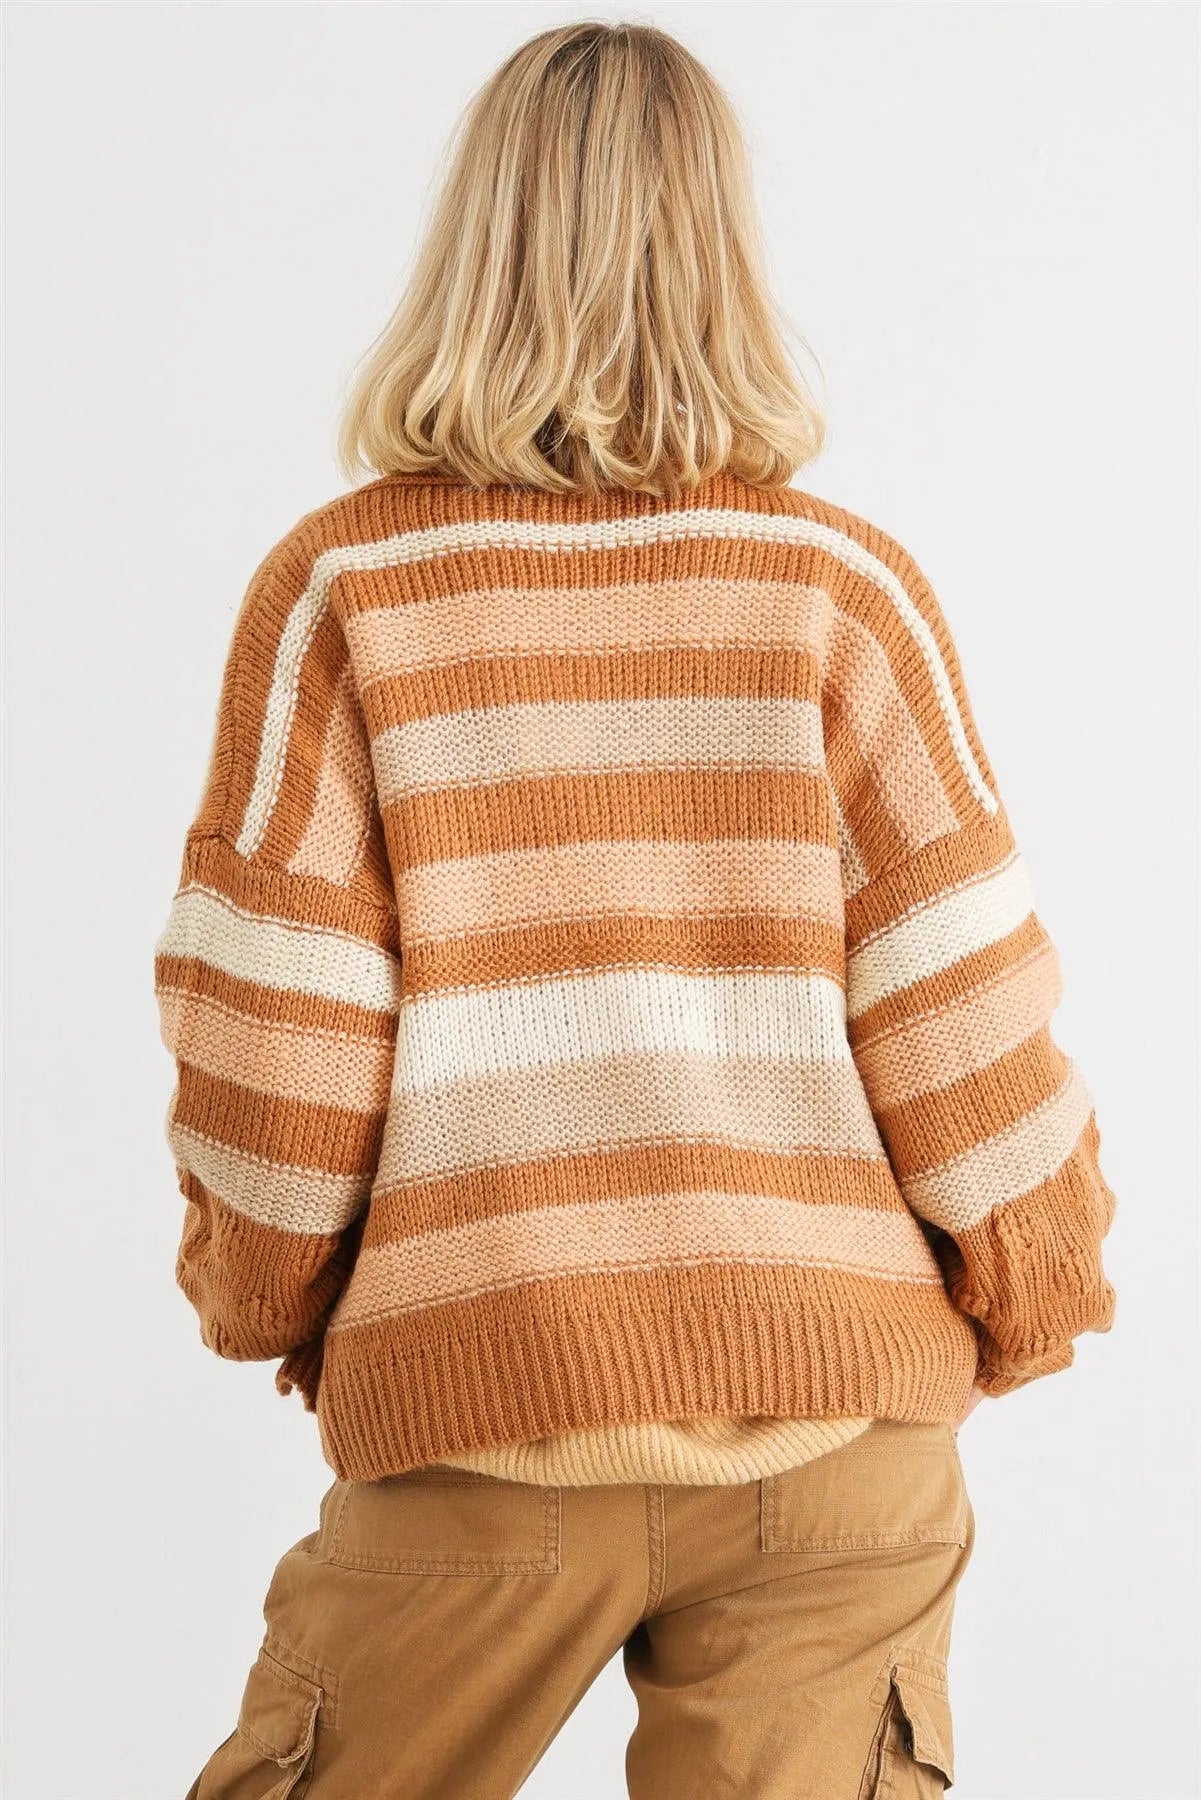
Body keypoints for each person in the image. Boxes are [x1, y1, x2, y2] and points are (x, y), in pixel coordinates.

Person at [155, 21, 1116, 1797]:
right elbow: (964, 1020)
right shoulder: (842, 592)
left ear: (471, 244)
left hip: (488, 1420)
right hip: (839, 1440)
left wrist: (265, 1296)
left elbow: (281, 1059)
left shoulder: (344, 591)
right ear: (724, 253)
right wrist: (1034, 1289)